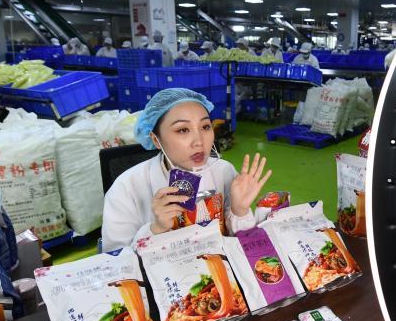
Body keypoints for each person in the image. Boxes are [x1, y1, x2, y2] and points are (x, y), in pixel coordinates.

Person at [102, 88, 272, 251]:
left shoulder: (223, 172)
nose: (199, 141)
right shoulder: (126, 188)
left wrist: (239, 211)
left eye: (205, 127)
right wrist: (156, 230)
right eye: (183, 130)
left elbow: (241, 244)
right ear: (155, 140)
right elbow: (115, 259)